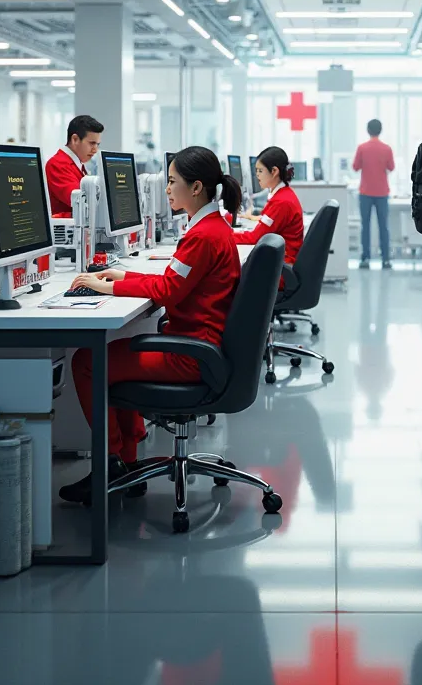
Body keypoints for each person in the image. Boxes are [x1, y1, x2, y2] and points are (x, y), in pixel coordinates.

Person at [59, 146, 242, 504]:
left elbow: (168, 290)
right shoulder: (211, 227)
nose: (168, 189)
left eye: (173, 182)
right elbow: (174, 281)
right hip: (200, 344)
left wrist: (108, 285)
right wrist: (124, 274)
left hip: (191, 354)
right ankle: (127, 464)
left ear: (196, 187)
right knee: (117, 357)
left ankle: (111, 462)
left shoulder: (204, 236)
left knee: (87, 362)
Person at [234, 146, 304, 266]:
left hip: (279, 268)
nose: (257, 175)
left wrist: (223, 236)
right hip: (279, 261)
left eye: (260, 171)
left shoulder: (281, 202)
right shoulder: (284, 194)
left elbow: (255, 238)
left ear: (274, 172)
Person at [353, 119, 395, 270]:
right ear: (380, 130)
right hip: (382, 192)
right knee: (383, 226)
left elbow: (355, 167)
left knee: (365, 226)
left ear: (368, 130)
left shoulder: (362, 148)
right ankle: (385, 260)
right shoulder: (387, 148)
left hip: (365, 192)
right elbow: (391, 167)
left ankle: (365, 258)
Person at [45, 115, 104, 217]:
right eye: (92, 143)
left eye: (97, 144)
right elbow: (83, 204)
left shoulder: (78, 164)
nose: (95, 150)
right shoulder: (58, 165)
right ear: (75, 139)